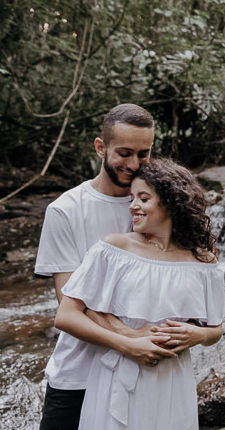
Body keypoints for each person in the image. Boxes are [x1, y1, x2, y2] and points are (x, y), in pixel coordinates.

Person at [34, 104, 179, 430]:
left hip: (141, 373)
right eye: (124, 153)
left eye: (144, 153)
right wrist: (131, 338)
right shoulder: (66, 210)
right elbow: (69, 302)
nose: (134, 164)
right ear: (101, 148)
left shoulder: (160, 206)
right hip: (78, 375)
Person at [54, 158, 225, 429]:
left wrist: (199, 335)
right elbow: (65, 316)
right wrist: (128, 344)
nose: (133, 205)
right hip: (117, 373)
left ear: (170, 202)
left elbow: (215, 330)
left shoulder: (203, 263)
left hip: (172, 380)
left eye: (143, 198)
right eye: (132, 197)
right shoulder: (113, 249)